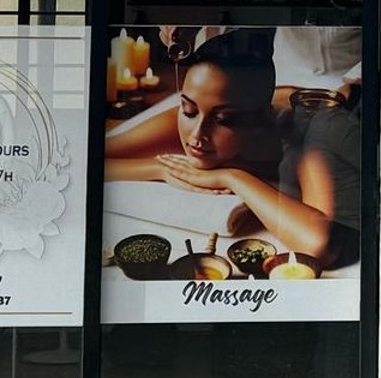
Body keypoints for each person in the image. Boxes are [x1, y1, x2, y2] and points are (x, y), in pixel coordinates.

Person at [105, 33, 355, 266]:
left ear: (260, 120)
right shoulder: (195, 114)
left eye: (224, 119)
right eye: (188, 110)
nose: (197, 135)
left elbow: (320, 245)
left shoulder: (307, 136)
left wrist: (232, 177)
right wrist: (160, 168)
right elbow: (87, 158)